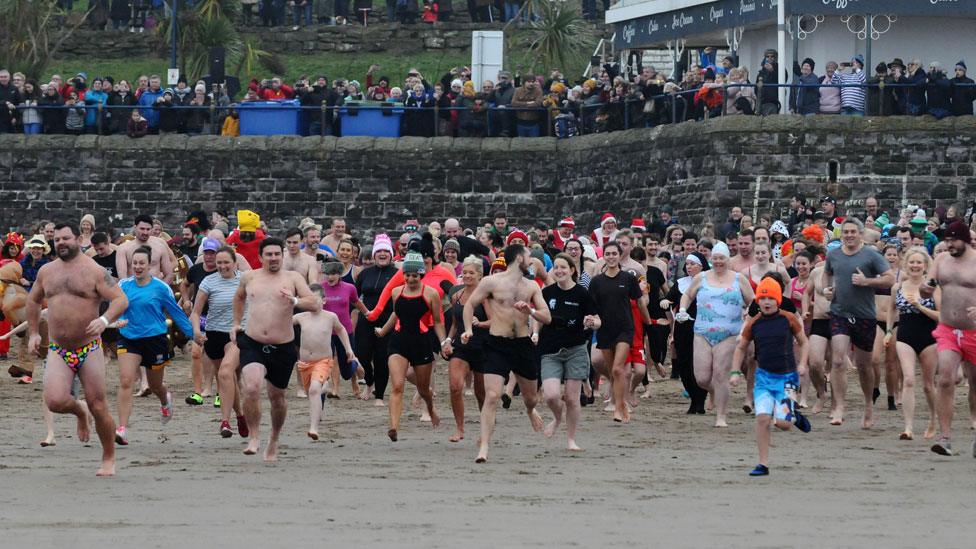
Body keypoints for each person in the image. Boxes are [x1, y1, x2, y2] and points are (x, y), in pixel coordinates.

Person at [27, 222, 128, 476]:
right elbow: (33, 299)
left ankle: (108, 457)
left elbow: (120, 299)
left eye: (66, 238)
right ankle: (79, 411)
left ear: (79, 239)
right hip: (59, 349)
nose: (61, 243)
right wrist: (33, 333)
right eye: (57, 239)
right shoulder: (47, 271)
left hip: (89, 346)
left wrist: (104, 321)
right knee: (55, 400)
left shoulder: (93, 271)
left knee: (99, 405)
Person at [461, 244, 551, 463]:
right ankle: (483, 446)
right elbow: (469, 305)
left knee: (531, 398)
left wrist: (529, 310)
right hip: (496, 344)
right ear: (519, 257)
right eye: (529, 257)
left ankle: (530, 411)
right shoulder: (492, 282)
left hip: (522, 344)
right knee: (492, 396)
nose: (532, 261)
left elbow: (547, 317)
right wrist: (468, 330)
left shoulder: (531, 286)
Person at [232, 237, 319, 460]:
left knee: (277, 397)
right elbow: (239, 298)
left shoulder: (293, 278)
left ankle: (274, 438)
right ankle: (253, 436)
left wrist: (295, 300)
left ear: (282, 255)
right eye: (268, 254)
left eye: (277, 254)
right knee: (251, 388)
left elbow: (314, 303)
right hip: (253, 342)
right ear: (260, 257)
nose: (273, 258)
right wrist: (235, 323)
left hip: (283, 346)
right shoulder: (249, 277)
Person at [114, 246, 194, 446]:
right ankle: (122, 428)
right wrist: (120, 319)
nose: (138, 267)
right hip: (129, 338)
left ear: (149, 265)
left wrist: (194, 334)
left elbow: (175, 312)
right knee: (126, 380)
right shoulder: (124, 285)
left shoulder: (160, 287)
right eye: (135, 263)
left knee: (155, 385)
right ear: (131, 265)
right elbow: (117, 307)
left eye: (142, 263)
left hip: (155, 339)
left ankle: (165, 399)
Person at [732, 277, 811, 477]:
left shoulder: (788, 319)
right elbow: (741, 347)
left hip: (788, 380)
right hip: (764, 380)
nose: (766, 302)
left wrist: (802, 364)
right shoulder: (754, 323)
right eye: (762, 298)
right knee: (762, 418)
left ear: (777, 300)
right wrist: (734, 372)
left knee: (783, 424)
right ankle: (763, 464)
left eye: (770, 298)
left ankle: (793, 415)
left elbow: (804, 342)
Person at [822, 218, 894, 428]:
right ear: (841, 234)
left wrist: (867, 282)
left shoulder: (871, 255)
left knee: (864, 365)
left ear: (861, 234)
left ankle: (868, 406)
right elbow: (827, 274)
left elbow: (889, 278)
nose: (849, 235)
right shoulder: (833, 254)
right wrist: (826, 290)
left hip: (864, 316)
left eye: (853, 232)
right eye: (846, 232)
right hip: (839, 313)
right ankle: (839, 407)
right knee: (837, 360)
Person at [677, 241, 754, 428]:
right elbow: (687, 295)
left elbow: (753, 301)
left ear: (728, 259)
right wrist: (682, 309)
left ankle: (721, 416)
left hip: (729, 333)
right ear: (711, 260)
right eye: (716, 258)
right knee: (702, 378)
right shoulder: (701, 277)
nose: (719, 262)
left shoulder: (738, 279)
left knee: (720, 375)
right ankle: (717, 392)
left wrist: (747, 315)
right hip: (702, 332)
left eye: (722, 258)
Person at [374, 252, 447, 442]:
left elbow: (438, 322)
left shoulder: (430, 294)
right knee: (397, 385)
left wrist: (444, 342)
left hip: (422, 343)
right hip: (399, 342)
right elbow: (396, 315)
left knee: (423, 389)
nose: (410, 278)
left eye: (415, 275)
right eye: (407, 275)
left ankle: (430, 407)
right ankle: (394, 427)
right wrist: (383, 331)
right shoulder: (396, 292)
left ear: (421, 274)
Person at [539, 254, 600, 451]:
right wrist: (533, 332)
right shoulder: (546, 292)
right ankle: (557, 418)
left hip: (576, 349)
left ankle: (571, 439)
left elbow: (598, 320)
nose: (559, 271)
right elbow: (539, 317)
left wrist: (592, 322)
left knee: (573, 398)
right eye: (556, 267)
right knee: (551, 395)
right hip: (550, 350)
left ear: (572, 270)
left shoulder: (582, 294)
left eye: (563, 267)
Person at [926, 221, 976, 457]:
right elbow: (930, 283)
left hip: (974, 331)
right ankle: (945, 437)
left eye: (954, 240)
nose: (949, 245)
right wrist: (927, 289)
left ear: (965, 240)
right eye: (947, 240)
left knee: (975, 384)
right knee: (945, 378)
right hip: (948, 328)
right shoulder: (941, 260)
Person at [588, 241, 651, 423]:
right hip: (605, 329)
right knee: (613, 371)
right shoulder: (597, 281)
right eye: (607, 254)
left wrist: (648, 322)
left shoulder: (627, 278)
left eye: (614, 253)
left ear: (619, 255)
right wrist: (590, 319)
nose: (611, 257)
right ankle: (620, 403)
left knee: (618, 368)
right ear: (603, 257)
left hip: (625, 328)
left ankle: (619, 406)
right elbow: (591, 306)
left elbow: (639, 302)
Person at [191, 246, 247, 438]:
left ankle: (225, 422)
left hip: (237, 334)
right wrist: (197, 331)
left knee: (225, 372)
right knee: (227, 379)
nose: (222, 266)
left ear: (235, 263)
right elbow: (196, 312)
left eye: (226, 262)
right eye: (219, 263)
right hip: (213, 334)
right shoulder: (209, 281)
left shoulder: (245, 280)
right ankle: (240, 415)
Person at [884, 247, 939, 441]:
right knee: (908, 379)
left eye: (919, 263)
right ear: (906, 264)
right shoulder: (897, 287)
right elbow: (891, 310)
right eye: (911, 262)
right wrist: (889, 331)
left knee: (928, 385)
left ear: (925, 266)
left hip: (929, 335)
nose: (915, 266)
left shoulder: (933, 288)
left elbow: (941, 316)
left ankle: (933, 419)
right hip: (905, 334)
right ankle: (908, 427)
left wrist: (919, 306)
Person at [293, 283, 356, 440]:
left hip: (323, 361)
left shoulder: (330, 317)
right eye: (310, 300)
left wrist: (349, 349)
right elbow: (281, 324)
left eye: (317, 299)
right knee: (312, 392)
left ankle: (314, 428)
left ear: (324, 300)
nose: (313, 303)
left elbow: (341, 330)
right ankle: (324, 387)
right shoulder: (300, 317)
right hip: (305, 363)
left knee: (314, 390)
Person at [445, 255, 490, 443]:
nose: (467, 276)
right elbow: (455, 324)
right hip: (461, 345)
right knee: (455, 387)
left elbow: (495, 321)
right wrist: (447, 340)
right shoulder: (457, 295)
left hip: (482, 346)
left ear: (480, 275)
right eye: (464, 273)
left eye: (471, 273)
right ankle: (459, 429)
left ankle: (485, 431)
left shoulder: (485, 296)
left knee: (482, 394)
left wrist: (479, 323)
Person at [662, 251, 709, 414]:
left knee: (699, 366)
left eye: (692, 264)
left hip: (703, 328)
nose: (688, 267)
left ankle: (700, 400)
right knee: (684, 366)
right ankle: (694, 398)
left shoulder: (709, 282)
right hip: (683, 329)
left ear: (701, 266)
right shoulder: (681, 283)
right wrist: (665, 301)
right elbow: (669, 299)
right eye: (687, 264)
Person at [355, 234, 398, 405]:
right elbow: (355, 297)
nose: (382, 254)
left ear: (390, 254)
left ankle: (379, 395)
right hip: (366, 318)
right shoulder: (365, 273)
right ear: (373, 254)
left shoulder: (397, 274)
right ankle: (370, 380)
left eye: (385, 251)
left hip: (387, 321)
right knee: (362, 355)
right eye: (378, 251)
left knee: (381, 358)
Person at [116, 214, 174, 282]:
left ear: (151, 229)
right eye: (142, 229)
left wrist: (159, 289)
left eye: (148, 229)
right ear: (135, 228)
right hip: (133, 290)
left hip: (155, 289)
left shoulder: (160, 247)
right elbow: (122, 278)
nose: (145, 232)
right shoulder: (123, 248)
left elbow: (169, 275)